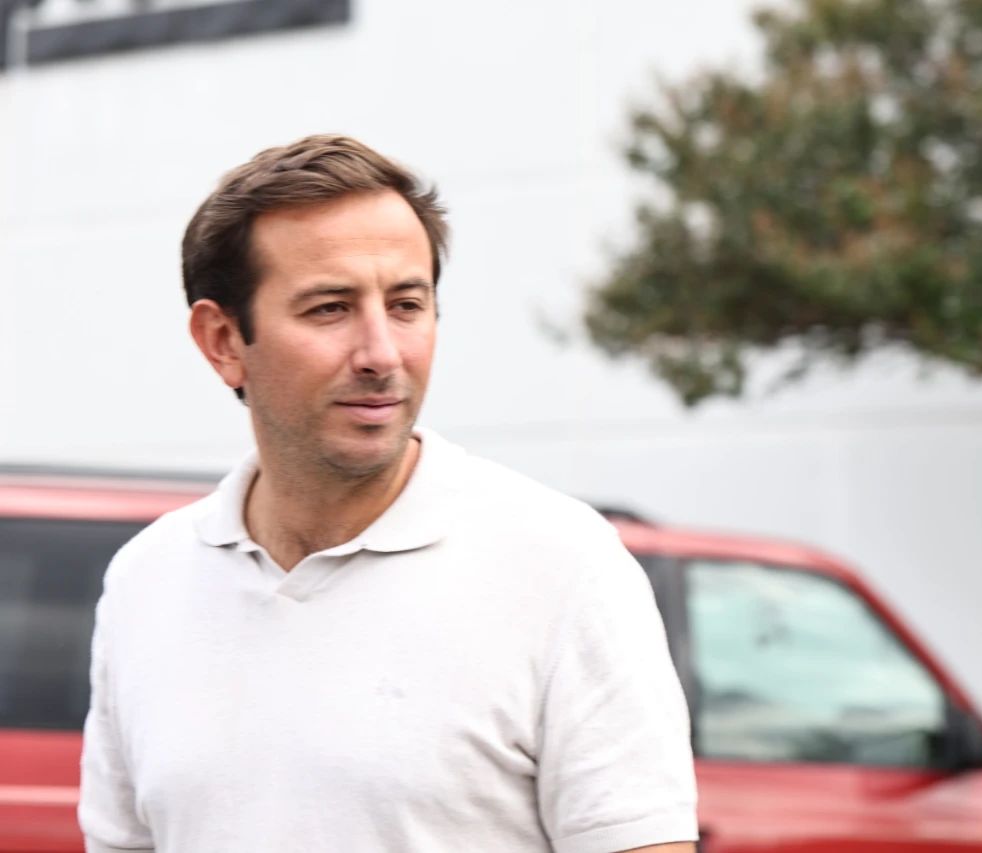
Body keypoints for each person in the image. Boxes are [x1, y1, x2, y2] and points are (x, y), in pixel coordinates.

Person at [78, 134, 699, 853]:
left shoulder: (564, 565)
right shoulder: (145, 580)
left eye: (406, 304)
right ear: (222, 340)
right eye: (329, 309)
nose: (382, 353)